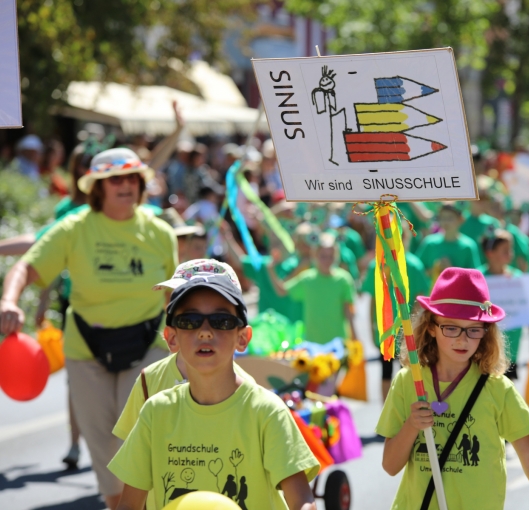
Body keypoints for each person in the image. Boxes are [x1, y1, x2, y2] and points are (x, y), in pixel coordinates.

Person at [0, 147, 177, 509]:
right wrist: (9, 301)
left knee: (139, 439)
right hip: (87, 350)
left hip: (147, 346)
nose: (126, 185)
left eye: (132, 178)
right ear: (97, 187)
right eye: (115, 179)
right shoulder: (73, 228)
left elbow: (173, 297)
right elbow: (25, 268)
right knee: (103, 448)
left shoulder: (161, 233)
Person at [108, 261, 319, 510]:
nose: (205, 332)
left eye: (221, 321)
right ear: (171, 338)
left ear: (243, 338)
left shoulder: (266, 411)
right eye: (190, 321)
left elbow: (302, 501)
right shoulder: (155, 412)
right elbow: (129, 504)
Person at [377, 268, 529, 510]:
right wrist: (412, 425)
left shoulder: (498, 389)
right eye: (451, 327)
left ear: (486, 332)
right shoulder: (407, 382)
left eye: (473, 329)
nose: (462, 340)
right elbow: (390, 466)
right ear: (431, 327)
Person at [112, 259, 256, 510]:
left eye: (218, 318)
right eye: (189, 315)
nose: (203, 328)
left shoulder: (246, 392)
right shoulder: (148, 380)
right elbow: (135, 463)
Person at [362, 221, 429, 400]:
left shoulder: (413, 265)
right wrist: (372, 326)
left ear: (405, 238)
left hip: (406, 330)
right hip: (385, 329)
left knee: (405, 371)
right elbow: (373, 299)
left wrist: (412, 326)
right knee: (385, 371)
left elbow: (420, 300)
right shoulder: (377, 265)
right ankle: (386, 410)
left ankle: (404, 409)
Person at [267, 231, 358, 345]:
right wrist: (270, 269)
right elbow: (282, 291)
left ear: (336, 256)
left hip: (338, 342)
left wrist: (354, 337)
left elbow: (348, 311)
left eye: (331, 256)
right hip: (313, 343)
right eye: (323, 256)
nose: (327, 260)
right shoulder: (307, 279)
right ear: (315, 255)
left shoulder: (343, 279)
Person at [479, 229, 529, 380]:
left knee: (508, 383)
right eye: (505, 250)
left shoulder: (517, 277)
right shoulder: (478, 278)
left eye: (510, 249)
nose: (510, 254)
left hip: (512, 344)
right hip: (485, 344)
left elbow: (527, 309)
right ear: (490, 253)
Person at [416, 203, 481, 278]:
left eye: (450, 218)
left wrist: (451, 269)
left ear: (461, 220)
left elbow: (474, 276)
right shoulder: (430, 243)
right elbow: (417, 271)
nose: (446, 222)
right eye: (443, 218)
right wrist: (435, 270)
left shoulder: (468, 246)